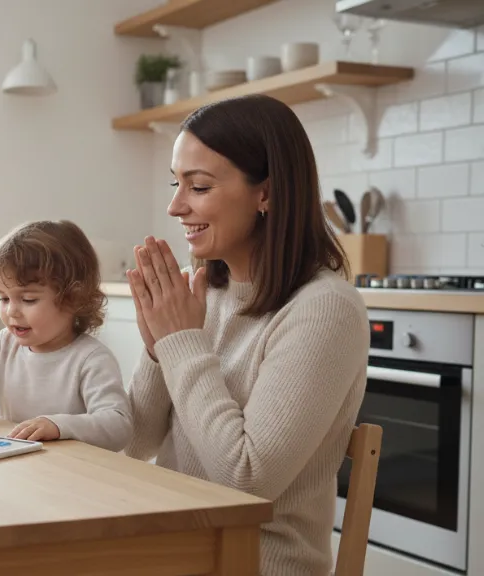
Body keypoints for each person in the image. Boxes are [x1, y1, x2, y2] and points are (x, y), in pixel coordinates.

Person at [123, 94, 369, 576]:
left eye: (198, 186)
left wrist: (180, 345)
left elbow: (247, 480)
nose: (175, 206)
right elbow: (137, 442)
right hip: (172, 549)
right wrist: (158, 350)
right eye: (177, 184)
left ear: (267, 194)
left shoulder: (324, 309)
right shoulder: (204, 295)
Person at [0, 219, 132, 453]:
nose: (11, 311)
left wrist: (58, 426)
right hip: (21, 465)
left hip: (74, 473)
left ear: (73, 298)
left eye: (28, 300)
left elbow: (119, 426)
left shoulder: (91, 359)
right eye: (4, 298)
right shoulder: (5, 344)